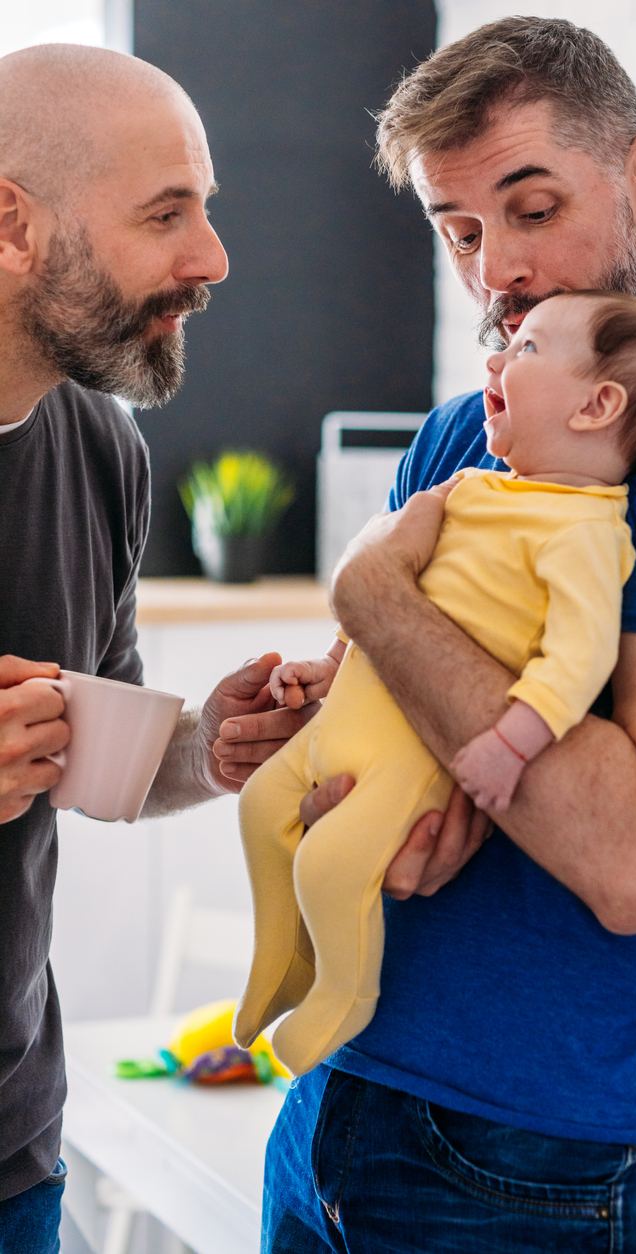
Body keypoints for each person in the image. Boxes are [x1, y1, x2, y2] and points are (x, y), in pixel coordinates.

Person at [260, 17, 636, 1254]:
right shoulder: (462, 438)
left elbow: (629, 860)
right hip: (328, 1109)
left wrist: (377, 599)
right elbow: (380, 724)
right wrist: (318, 738)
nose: (495, 273)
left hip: (534, 1163)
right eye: (458, 231)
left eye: (530, 209)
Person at [0, 42, 318, 1251]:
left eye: (208, 210)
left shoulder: (103, 449)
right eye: (165, 215)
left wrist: (213, 743)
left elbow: (103, 768)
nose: (213, 261)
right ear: (11, 224)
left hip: (13, 1140)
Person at [234, 291, 636, 1079]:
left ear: (597, 405)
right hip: (356, 707)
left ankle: (340, 997)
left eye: (526, 351)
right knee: (261, 809)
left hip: (415, 752)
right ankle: (287, 960)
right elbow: (386, 594)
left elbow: (578, 658)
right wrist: (330, 665)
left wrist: (508, 746)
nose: (495, 357)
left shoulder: (586, 533)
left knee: (331, 866)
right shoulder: (474, 484)